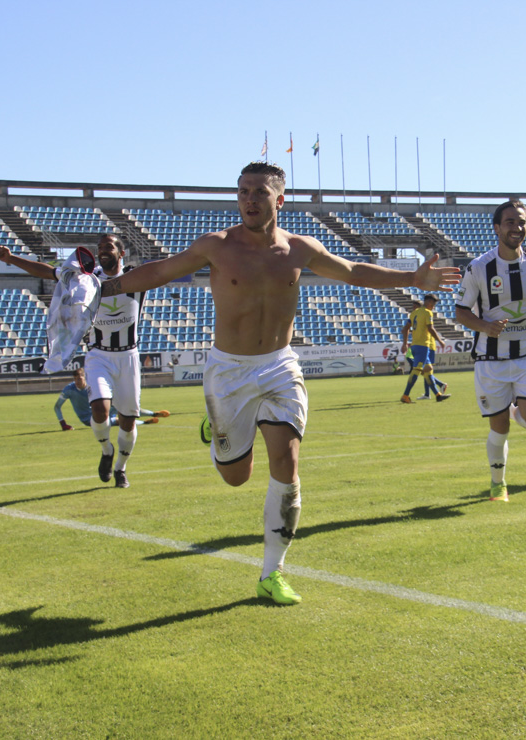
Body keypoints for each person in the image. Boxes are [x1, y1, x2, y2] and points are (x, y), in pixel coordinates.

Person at [96, 161, 459, 605]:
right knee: (235, 477)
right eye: (243, 191)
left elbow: (353, 271)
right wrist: (105, 290)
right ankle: (217, 436)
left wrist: (410, 278)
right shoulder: (216, 244)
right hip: (228, 370)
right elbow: (158, 272)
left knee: (286, 462)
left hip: (280, 366)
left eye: (260, 192)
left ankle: (272, 572)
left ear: (279, 199)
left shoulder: (300, 249)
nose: (250, 199)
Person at [0, 233, 146, 489]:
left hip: (128, 356)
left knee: (128, 420)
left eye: (108, 246)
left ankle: (121, 468)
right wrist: (12, 259)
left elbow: (168, 270)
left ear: (121, 253)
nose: (102, 251)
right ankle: (106, 450)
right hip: (98, 354)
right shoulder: (86, 278)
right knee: (100, 408)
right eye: (99, 247)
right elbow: (48, 272)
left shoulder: (137, 277)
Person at [454, 199, 526, 502]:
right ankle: (498, 484)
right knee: (499, 428)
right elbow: (461, 312)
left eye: (522, 222)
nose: (517, 228)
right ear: (497, 228)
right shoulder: (480, 267)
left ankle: (516, 408)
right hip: (489, 360)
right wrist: (484, 326)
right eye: (510, 222)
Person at [55, 368, 169, 430]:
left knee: (126, 407)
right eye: (75, 379)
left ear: (85, 377)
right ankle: (145, 423)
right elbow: (57, 407)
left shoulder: (92, 384)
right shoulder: (69, 390)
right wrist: (63, 423)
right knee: (120, 421)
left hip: (101, 410)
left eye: (79, 378)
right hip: (89, 419)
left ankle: (153, 413)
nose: (77, 382)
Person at [400, 294, 450, 402]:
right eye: (433, 303)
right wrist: (440, 341)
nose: (434, 306)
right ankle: (405, 395)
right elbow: (430, 328)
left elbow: (405, 329)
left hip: (415, 345)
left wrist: (404, 344)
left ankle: (438, 395)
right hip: (423, 346)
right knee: (416, 371)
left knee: (428, 370)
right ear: (429, 302)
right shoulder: (427, 312)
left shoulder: (414, 313)